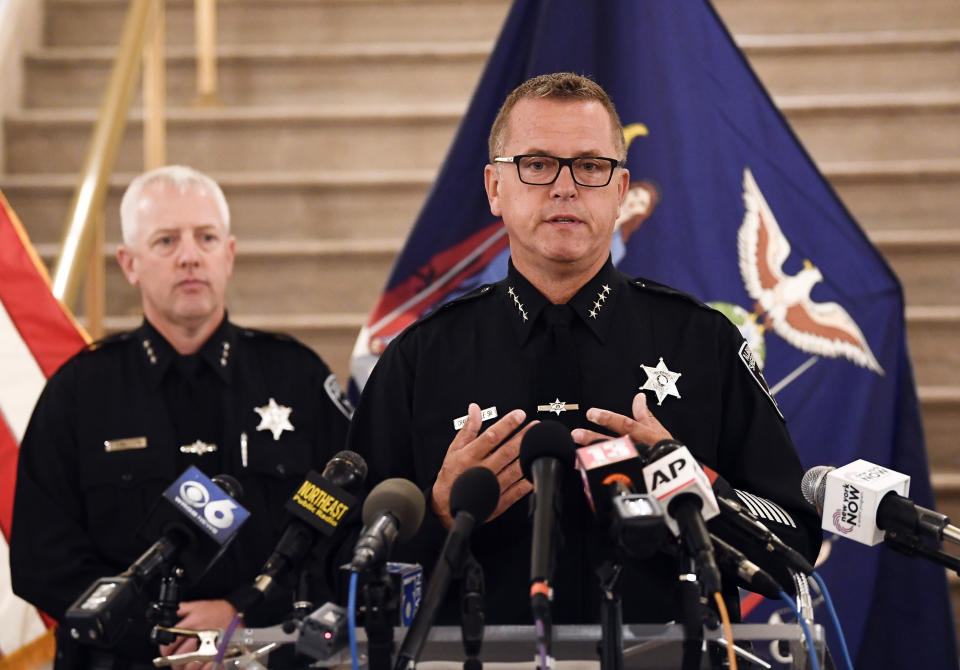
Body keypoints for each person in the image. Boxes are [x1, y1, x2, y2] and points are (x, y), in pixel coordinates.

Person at [347, 73, 821, 625]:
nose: (565, 188)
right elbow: (339, 568)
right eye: (537, 164)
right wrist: (435, 516)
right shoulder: (420, 358)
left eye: (591, 166)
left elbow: (795, 543)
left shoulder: (704, 343)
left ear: (621, 191)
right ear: (494, 188)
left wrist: (693, 485)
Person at [10, 166, 352, 669]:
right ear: (129, 263)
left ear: (229, 254)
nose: (190, 255)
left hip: (266, 651)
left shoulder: (297, 378)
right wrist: (158, 627)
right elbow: (41, 560)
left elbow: (340, 531)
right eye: (166, 241)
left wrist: (240, 611)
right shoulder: (79, 391)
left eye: (206, 237)